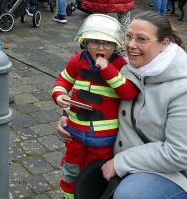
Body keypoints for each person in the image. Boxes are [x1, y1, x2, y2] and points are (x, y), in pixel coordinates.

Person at [58, 11, 187, 199]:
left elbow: (179, 154)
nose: (131, 45)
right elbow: (95, 97)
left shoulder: (184, 89)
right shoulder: (124, 67)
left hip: (171, 172)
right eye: (129, 37)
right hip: (112, 154)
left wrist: (120, 162)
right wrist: (69, 116)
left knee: (129, 195)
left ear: (164, 44)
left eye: (142, 39)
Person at [53, 14, 138, 198]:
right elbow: (63, 80)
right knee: (71, 167)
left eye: (107, 43)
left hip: (103, 138)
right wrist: (59, 94)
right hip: (74, 132)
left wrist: (107, 69)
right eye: (95, 42)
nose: (100, 47)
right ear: (86, 42)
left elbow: (129, 93)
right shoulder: (78, 60)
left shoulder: (120, 65)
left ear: (115, 45)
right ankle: (67, 195)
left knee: (94, 173)